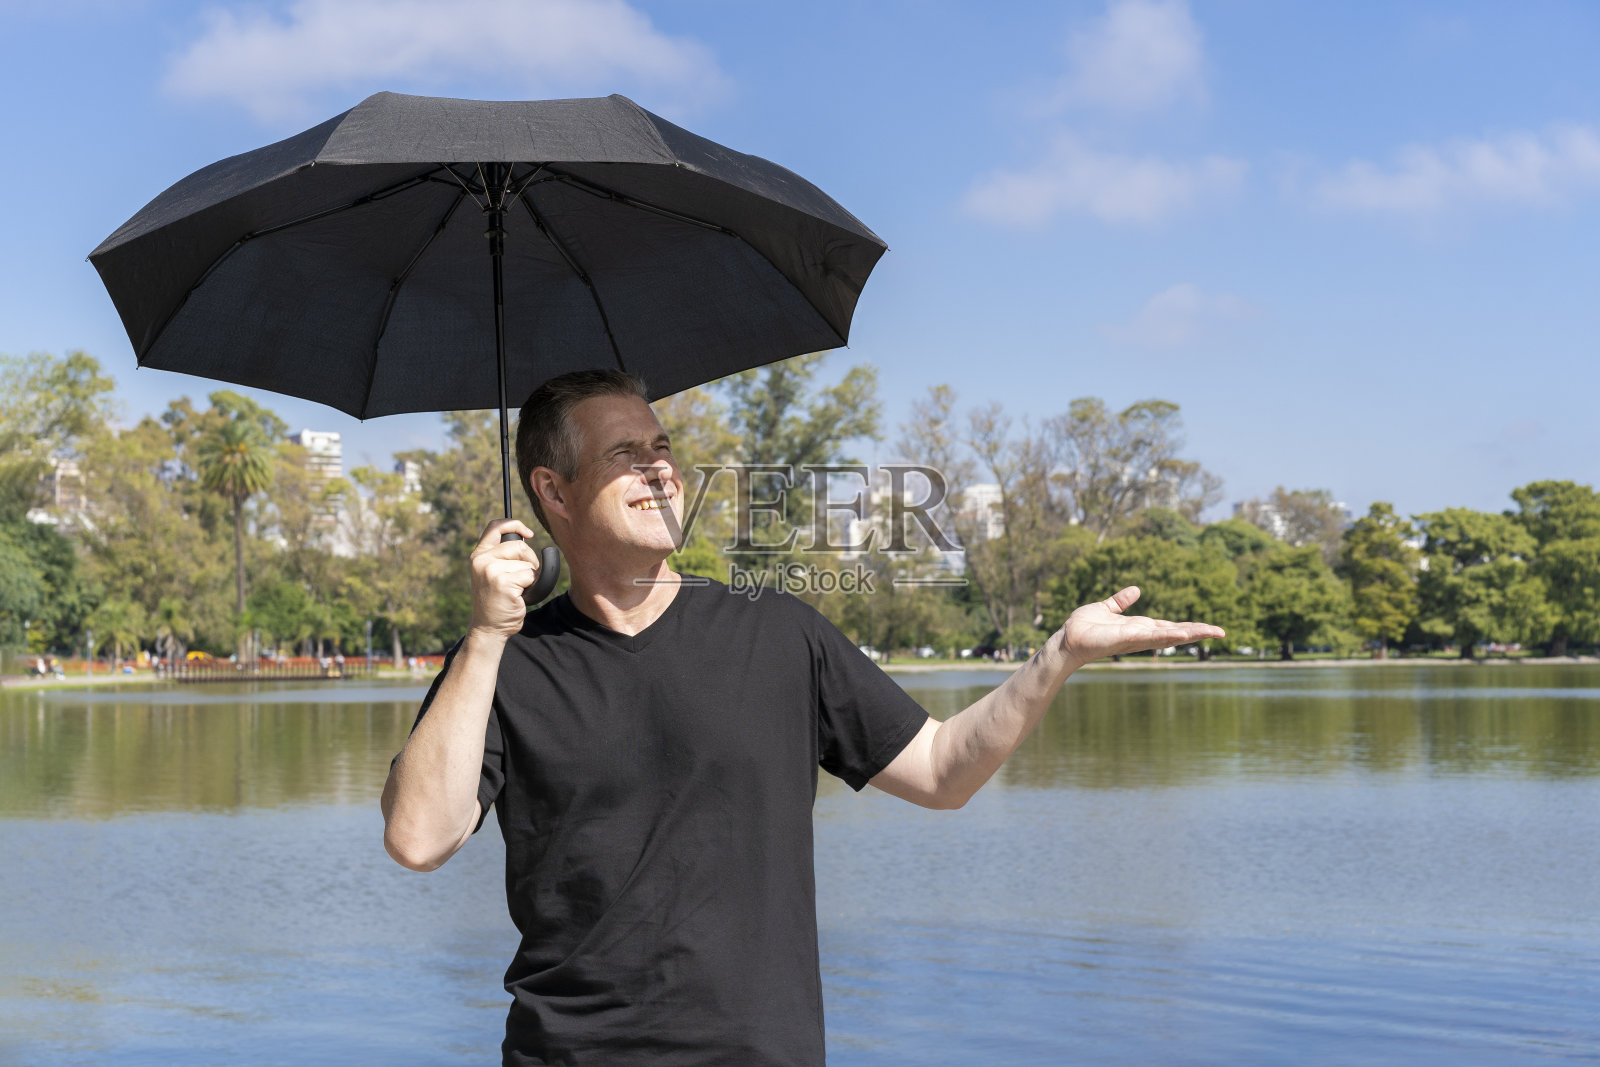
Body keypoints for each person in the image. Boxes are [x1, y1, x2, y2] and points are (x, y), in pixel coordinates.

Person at [381, 370, 1222, 1066]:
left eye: (663, 448)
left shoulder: (777, 632)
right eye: (626, 455)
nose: (661, 470)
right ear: (552, 491)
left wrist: (1058, 655)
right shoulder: (504, 663)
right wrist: (487, 635)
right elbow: (419, 838)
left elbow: (942, 771)